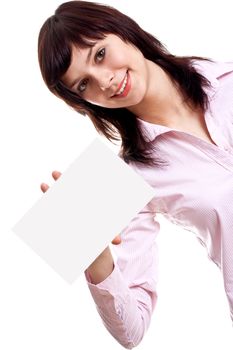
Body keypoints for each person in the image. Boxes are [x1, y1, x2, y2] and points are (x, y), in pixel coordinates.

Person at [38, 1, 233, 348]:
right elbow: (132, 331)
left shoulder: (228, 77)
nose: (105, 81)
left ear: (123, 29)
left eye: (99, 54)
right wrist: (94, 255)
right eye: (83, 85)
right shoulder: (125, 177)